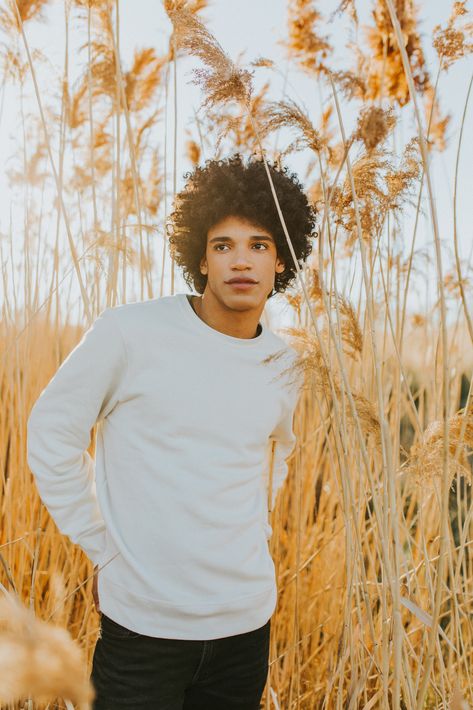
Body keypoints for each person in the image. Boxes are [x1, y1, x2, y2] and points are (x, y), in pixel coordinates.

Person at [26, 152, 316, 709]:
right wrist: (100, 543)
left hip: (245, 625)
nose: (241, 262)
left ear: (282, 261)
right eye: (223, 245)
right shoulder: (130, 334)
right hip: (144, 629)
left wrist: (253, 532)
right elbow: (52, 432)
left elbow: (274, 456)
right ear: (200, 258)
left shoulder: (286, 366)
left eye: (259, 245)